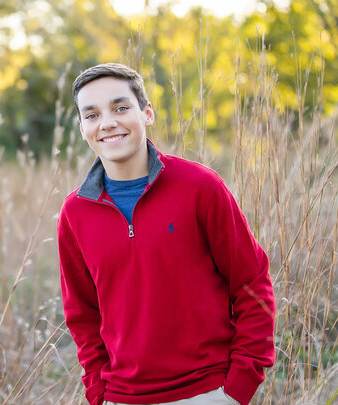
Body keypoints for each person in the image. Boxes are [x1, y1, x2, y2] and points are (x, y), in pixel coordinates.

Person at [57, 63, 275, 405]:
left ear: (147, 113)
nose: (108, 123)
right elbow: (82, 315)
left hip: (207, 393)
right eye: (93, 115)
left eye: (120, 108)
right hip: (122, 397)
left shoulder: (200, 187)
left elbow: (252, 282)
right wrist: (99, 394)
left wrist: (237, 389)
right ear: (83, 127)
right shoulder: (75, 213)